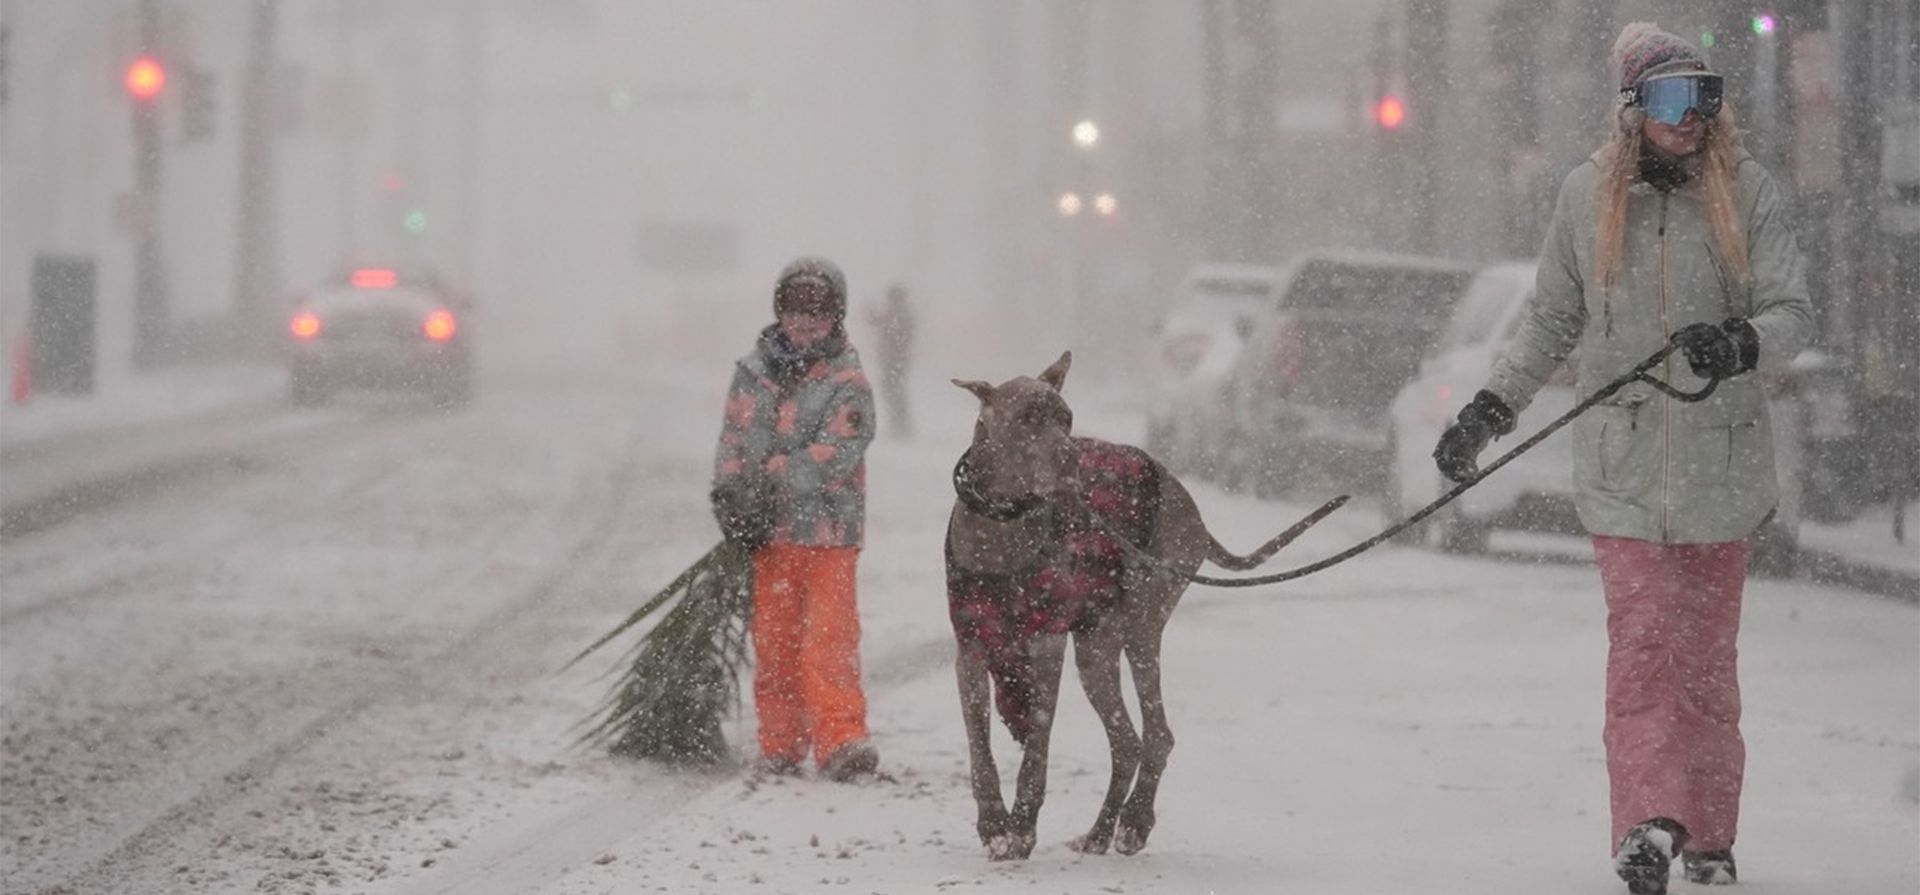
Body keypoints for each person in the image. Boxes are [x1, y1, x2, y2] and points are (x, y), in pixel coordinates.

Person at [1431, 23, 1813, 895]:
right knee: (1641, 648)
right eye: (1676, 100)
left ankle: (1709, 834)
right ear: (1634, 109)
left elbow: (1794, 310)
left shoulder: (1747, 191)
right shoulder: (1588, 197)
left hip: (1723, 471)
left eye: (1706, 98)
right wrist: (1487, 411)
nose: (1693, 118)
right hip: (1624, 470)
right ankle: (1645, 823)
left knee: (1706, 660)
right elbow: (1549, 322)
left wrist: (1740, 341)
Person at [710, 256, 880, 781]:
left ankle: (841, 739)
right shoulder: (751, 374)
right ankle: (781, 743)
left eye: (819, 310)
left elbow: (839, 450)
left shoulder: (847, 380)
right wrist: (733, 495)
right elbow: (733, 440)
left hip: (829, 536)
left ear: (837, 315)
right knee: (776, 642)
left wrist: (774, 482)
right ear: (778, 309)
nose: (806, 321)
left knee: (828, 641)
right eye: (795, 308)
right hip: (771, 537)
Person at [865, 283, 917, 438]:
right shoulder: (900, 315)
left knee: (893, 391)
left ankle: (901, 425)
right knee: (894, 391)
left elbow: (878, 321)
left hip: (894, 361)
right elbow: (876, 320)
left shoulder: (898, 316)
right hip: (894, 361)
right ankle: (900, 424)